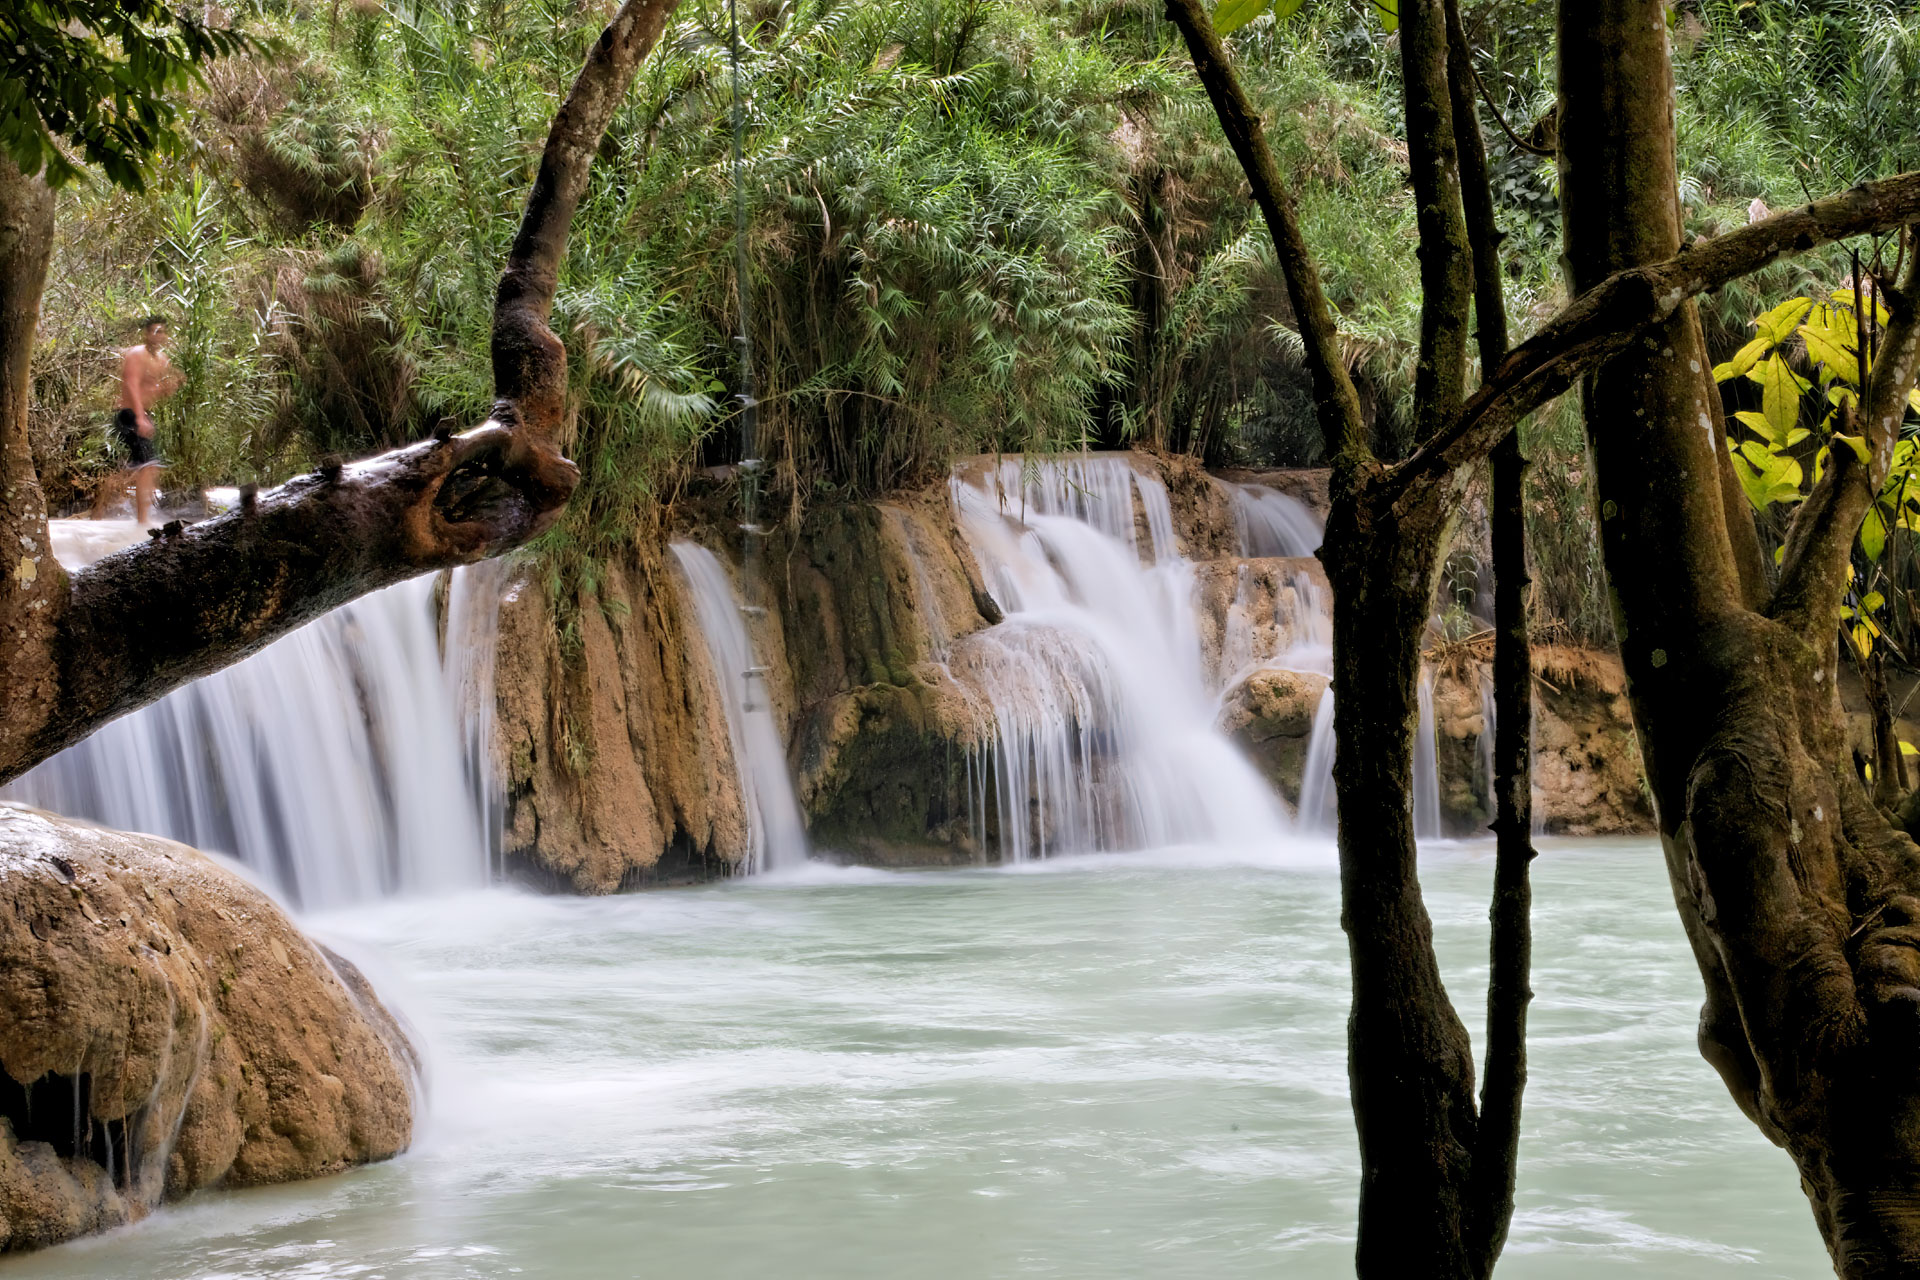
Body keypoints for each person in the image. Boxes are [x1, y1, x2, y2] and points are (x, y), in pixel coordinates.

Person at [105, 316, 180, 524]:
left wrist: (168, 388)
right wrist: (139, 417)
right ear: (146, 334)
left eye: (162, 332)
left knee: (140, 467)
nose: (158, 336)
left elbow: (153, 390)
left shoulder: (162, 359)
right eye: (154, 331)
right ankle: (142, 522)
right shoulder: (137, 354)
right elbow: (131, 384)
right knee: (148, 466)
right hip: (129, 414)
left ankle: (100, 506)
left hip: (144, 414)